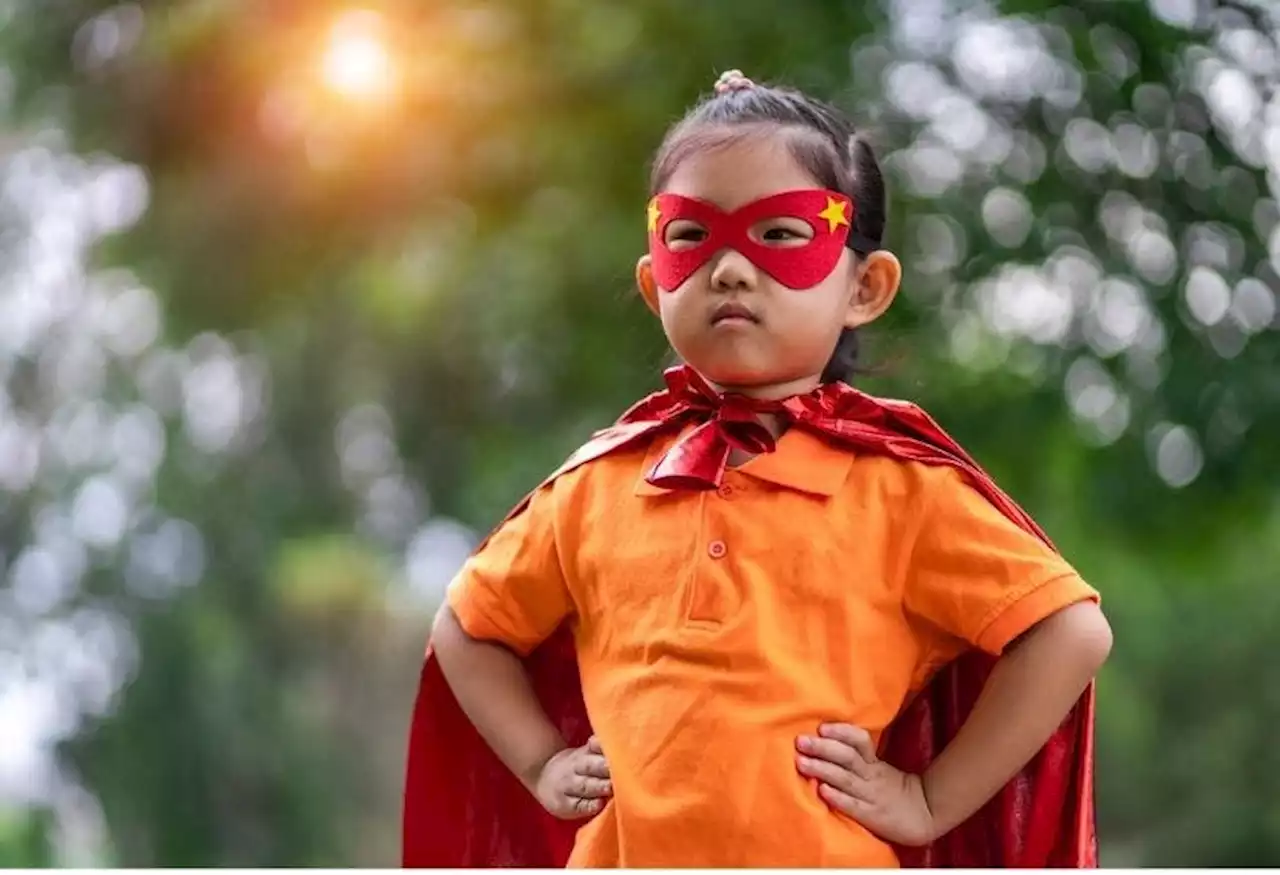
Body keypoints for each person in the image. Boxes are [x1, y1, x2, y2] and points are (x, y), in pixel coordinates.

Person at [402, 69, 1113, 868]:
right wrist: (541, 760)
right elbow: (467, 628)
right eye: (690, 236)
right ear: (652, 283)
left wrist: (928, 799)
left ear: (866, 287)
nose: (731, 269)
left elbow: (1067, 630)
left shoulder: (902, 490)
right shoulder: (597, 485)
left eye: (779, 234)